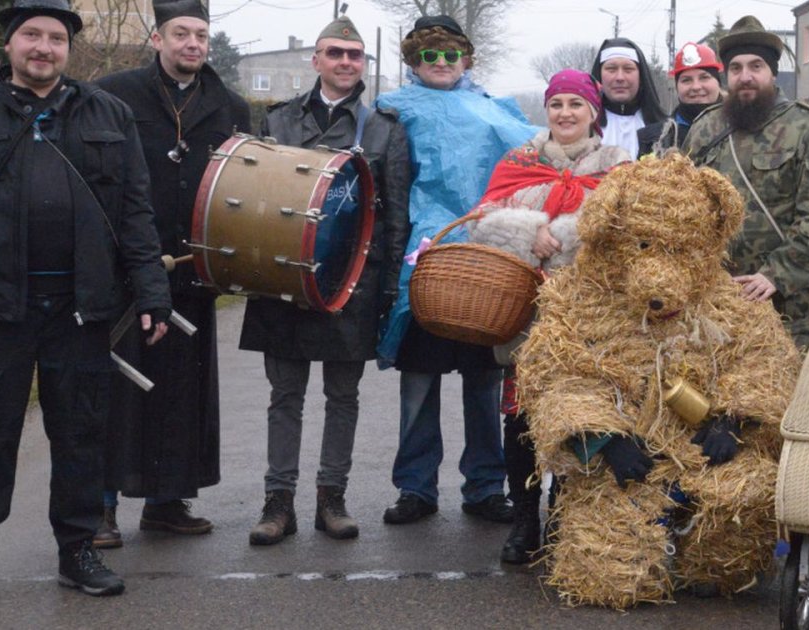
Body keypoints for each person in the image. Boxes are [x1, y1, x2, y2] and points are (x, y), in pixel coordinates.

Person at [0, 0, 172, 597]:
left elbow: (136, 210)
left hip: (82, 306)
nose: (44, 47)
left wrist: (152, 291)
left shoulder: (108, 112)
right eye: (31, 35)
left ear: (69, 48)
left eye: (56, 38)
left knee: (81, 435)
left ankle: (78, 551)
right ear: (9, 44)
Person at [238, 15, 410, 545]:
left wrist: (389, 290)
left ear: (363, 63)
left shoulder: (384, 129)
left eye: (354, 55)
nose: (345, 62)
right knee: (284, 395)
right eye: (335, 53)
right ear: (316, 60)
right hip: (283, 278)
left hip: (351, 284)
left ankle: (331, 500)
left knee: (343, 396)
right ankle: (278, 503)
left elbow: (396, 217)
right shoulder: (278, 121)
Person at [93, 0, 250, 549]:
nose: (193, 44)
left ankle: (166, 502)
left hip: (191, 270)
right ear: (157, 39)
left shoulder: (230, 106)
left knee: (181, 392)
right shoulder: (112, 95)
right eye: (181, 33)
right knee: (116, 389)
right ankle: (100, 507)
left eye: (201, 35)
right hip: (123, 268)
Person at [374, 15, 539, 526]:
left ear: (465, 59)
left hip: (485, 261)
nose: (441, 63)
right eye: (430, 55)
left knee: (483, 381)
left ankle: (485, 486)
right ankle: (415, 487)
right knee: (419, 381)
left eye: (450, 54)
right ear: (414, 60)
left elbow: (531, 158)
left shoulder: (494, 109)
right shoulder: (392, 112)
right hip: (422, 260)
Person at [465, 68, 631, 564]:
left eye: (575, 104)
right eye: (557, 104)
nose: (565, 113)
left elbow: (628, 228)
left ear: (593, 112)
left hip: (588, 315)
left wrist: (567, 237)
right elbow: (481, 219)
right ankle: (524, 520)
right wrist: (529, 229)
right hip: (526, 314)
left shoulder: (617, 165)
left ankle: (561, 512)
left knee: (577, 414)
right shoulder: (520, 161)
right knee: (521, 418)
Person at [684, 15, 809, 349]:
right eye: (736, 68)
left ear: (772, 72)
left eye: (756, 66)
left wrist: (775, 274)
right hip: (710, 305)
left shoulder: (808, 129)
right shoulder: (705, 129)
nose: (745, 76)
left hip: (782, 307)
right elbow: (681, 208)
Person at [637, 42, 722, 156]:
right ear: (677, 87)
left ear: (718, 83)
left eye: (704, 77)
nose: (696, 87)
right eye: (686, 80)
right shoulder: (652, 139)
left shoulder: (738, 132)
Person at [590, 37, 665, 159]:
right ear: (600, 75)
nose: (620, 77)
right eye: (611, 69)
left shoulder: (663, 131)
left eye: (628, 69)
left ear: (641, 76)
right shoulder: (586, 128)